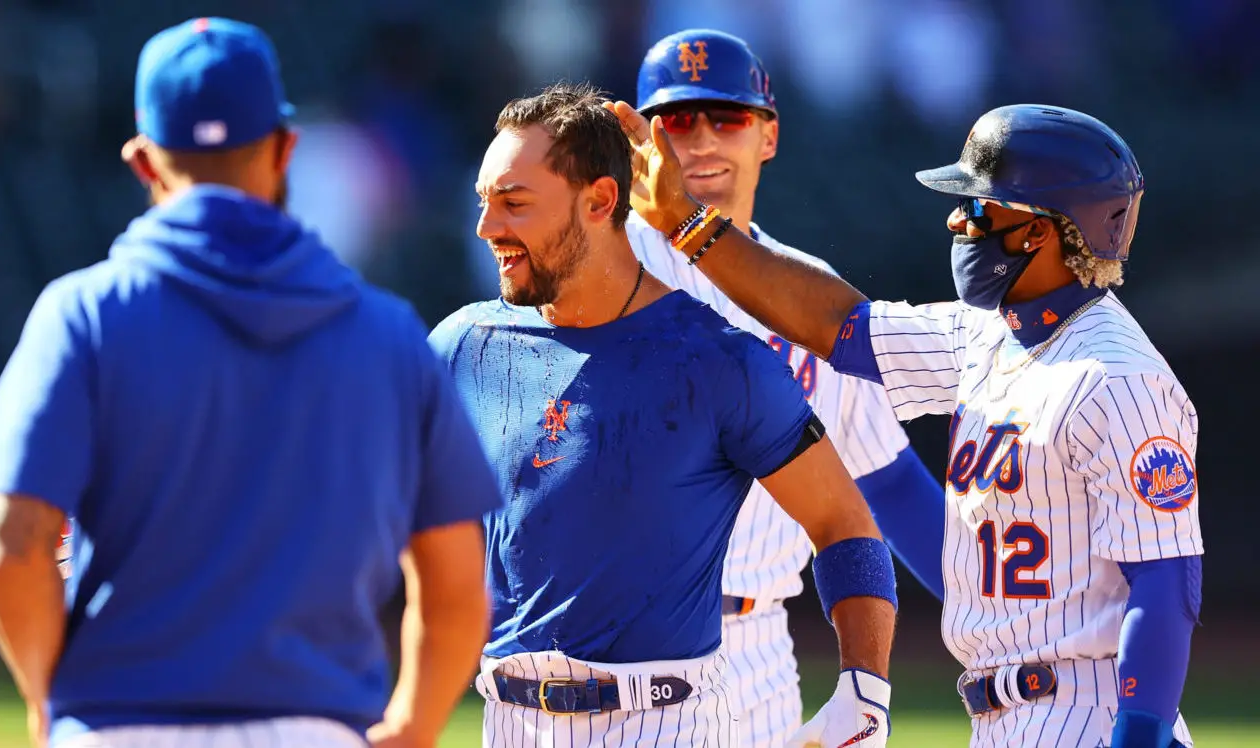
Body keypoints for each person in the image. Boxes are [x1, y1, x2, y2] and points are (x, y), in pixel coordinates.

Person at [608, 98, 1203, 747]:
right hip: (1008, 712)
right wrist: (691, 225)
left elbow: (1166, 582)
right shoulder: (986, 337)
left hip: (1089, 710)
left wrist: (1139, 733)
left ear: (1038, 230)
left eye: (979, 205)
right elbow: (835, 325)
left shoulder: (1118, 379)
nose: (957, 217)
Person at [0, 17, 500, 748]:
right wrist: (411, 728)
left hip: (122, 727)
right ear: (286, 148)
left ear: (141, 161)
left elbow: (13, 546)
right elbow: (454, 582)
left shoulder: (83, 317)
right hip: (315, 730)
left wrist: (47, 704)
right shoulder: (387, 333)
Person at [429, 81, 897, 748]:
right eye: (485, 203)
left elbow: (843, 523)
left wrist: (864, 689)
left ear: (600, 200)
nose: (487, 227)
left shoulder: (717, 361)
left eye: (513, 203)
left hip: (663, 725)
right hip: (507, 723)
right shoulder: (462, 345)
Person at [625, 30, 947, 746]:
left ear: (767, 136)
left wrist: (999, 617)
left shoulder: (805, 291)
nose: (701, 139)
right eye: (676, 120)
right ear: (640, 140)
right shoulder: (602, 268)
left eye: (727, 118)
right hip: (619, 641)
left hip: (758, 653)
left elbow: (888, 482)